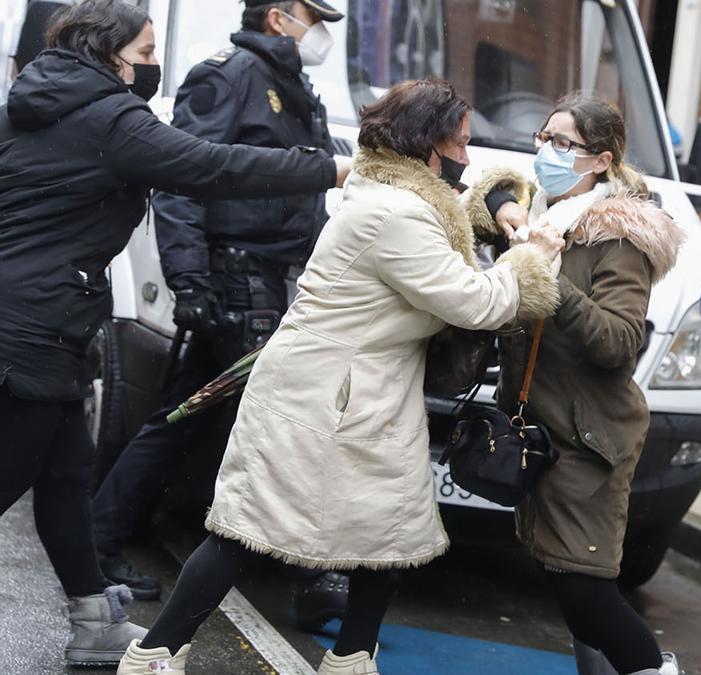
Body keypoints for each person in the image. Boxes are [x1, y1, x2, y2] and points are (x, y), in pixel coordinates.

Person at [117, 78, 564, 675]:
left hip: (363, 392)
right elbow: (476, 301)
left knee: (387, 535)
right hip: (321, 397)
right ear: (428, 146)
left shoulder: (397, 192)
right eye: (459, 142)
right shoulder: (396, 213)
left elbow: (468, 208)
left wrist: (505, 206)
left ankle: (352, 657)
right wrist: (534, 258)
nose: (466, 155)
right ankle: (155, 652)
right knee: (248, 528)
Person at [0, 0, 349, 666]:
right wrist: (328, 169)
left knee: (68, 474)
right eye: (145, 54)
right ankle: (92, 618)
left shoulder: (29, 105)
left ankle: (92, 617)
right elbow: (215, 166)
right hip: (37, 328)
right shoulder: (113, 120)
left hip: (39, 318)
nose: (154, 66)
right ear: (108, 54)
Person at [91, 0, 350, 629]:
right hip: (236, 282)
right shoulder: (227, 75)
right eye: (311, 19)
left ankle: (99, 539)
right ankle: (315, 573)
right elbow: (184, 177)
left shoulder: (291, 84)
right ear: (277, 17)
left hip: (270, 280)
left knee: (190, 417)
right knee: (230, 419)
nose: (318, 34)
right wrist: (191, 281)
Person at [464, 93, 686, 675]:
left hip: (590, 439)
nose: (546, 152)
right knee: (571, 591)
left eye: (563, 144)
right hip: (543, 428)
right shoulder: (541, 210)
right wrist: (512, 217)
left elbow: (618, 343)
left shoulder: (617, 237)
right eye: (543, 138)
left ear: (601, 161)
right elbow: (486, 191)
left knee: (586, 591)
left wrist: (551, 277)